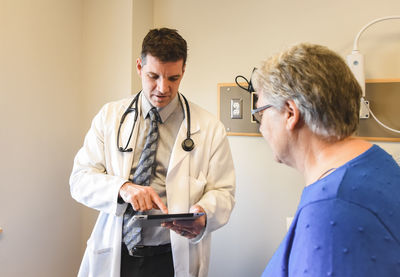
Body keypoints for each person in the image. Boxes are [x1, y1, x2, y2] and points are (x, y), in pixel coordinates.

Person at [70, 28, 235, 277]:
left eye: (173, 78)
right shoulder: (110, 117)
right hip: (118, 253)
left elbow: (224, 192)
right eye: (153, 76)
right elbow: (80, 179)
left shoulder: (209, 128)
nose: (162, 88)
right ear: (139, 67)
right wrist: (123, 188)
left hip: (170, 257)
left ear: (183, 71)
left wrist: (204, 213)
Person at [251, 43, 400, 276]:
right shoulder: (376, 161)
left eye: (260, 113)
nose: (261, 127)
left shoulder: (331, 209)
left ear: (290, 112)